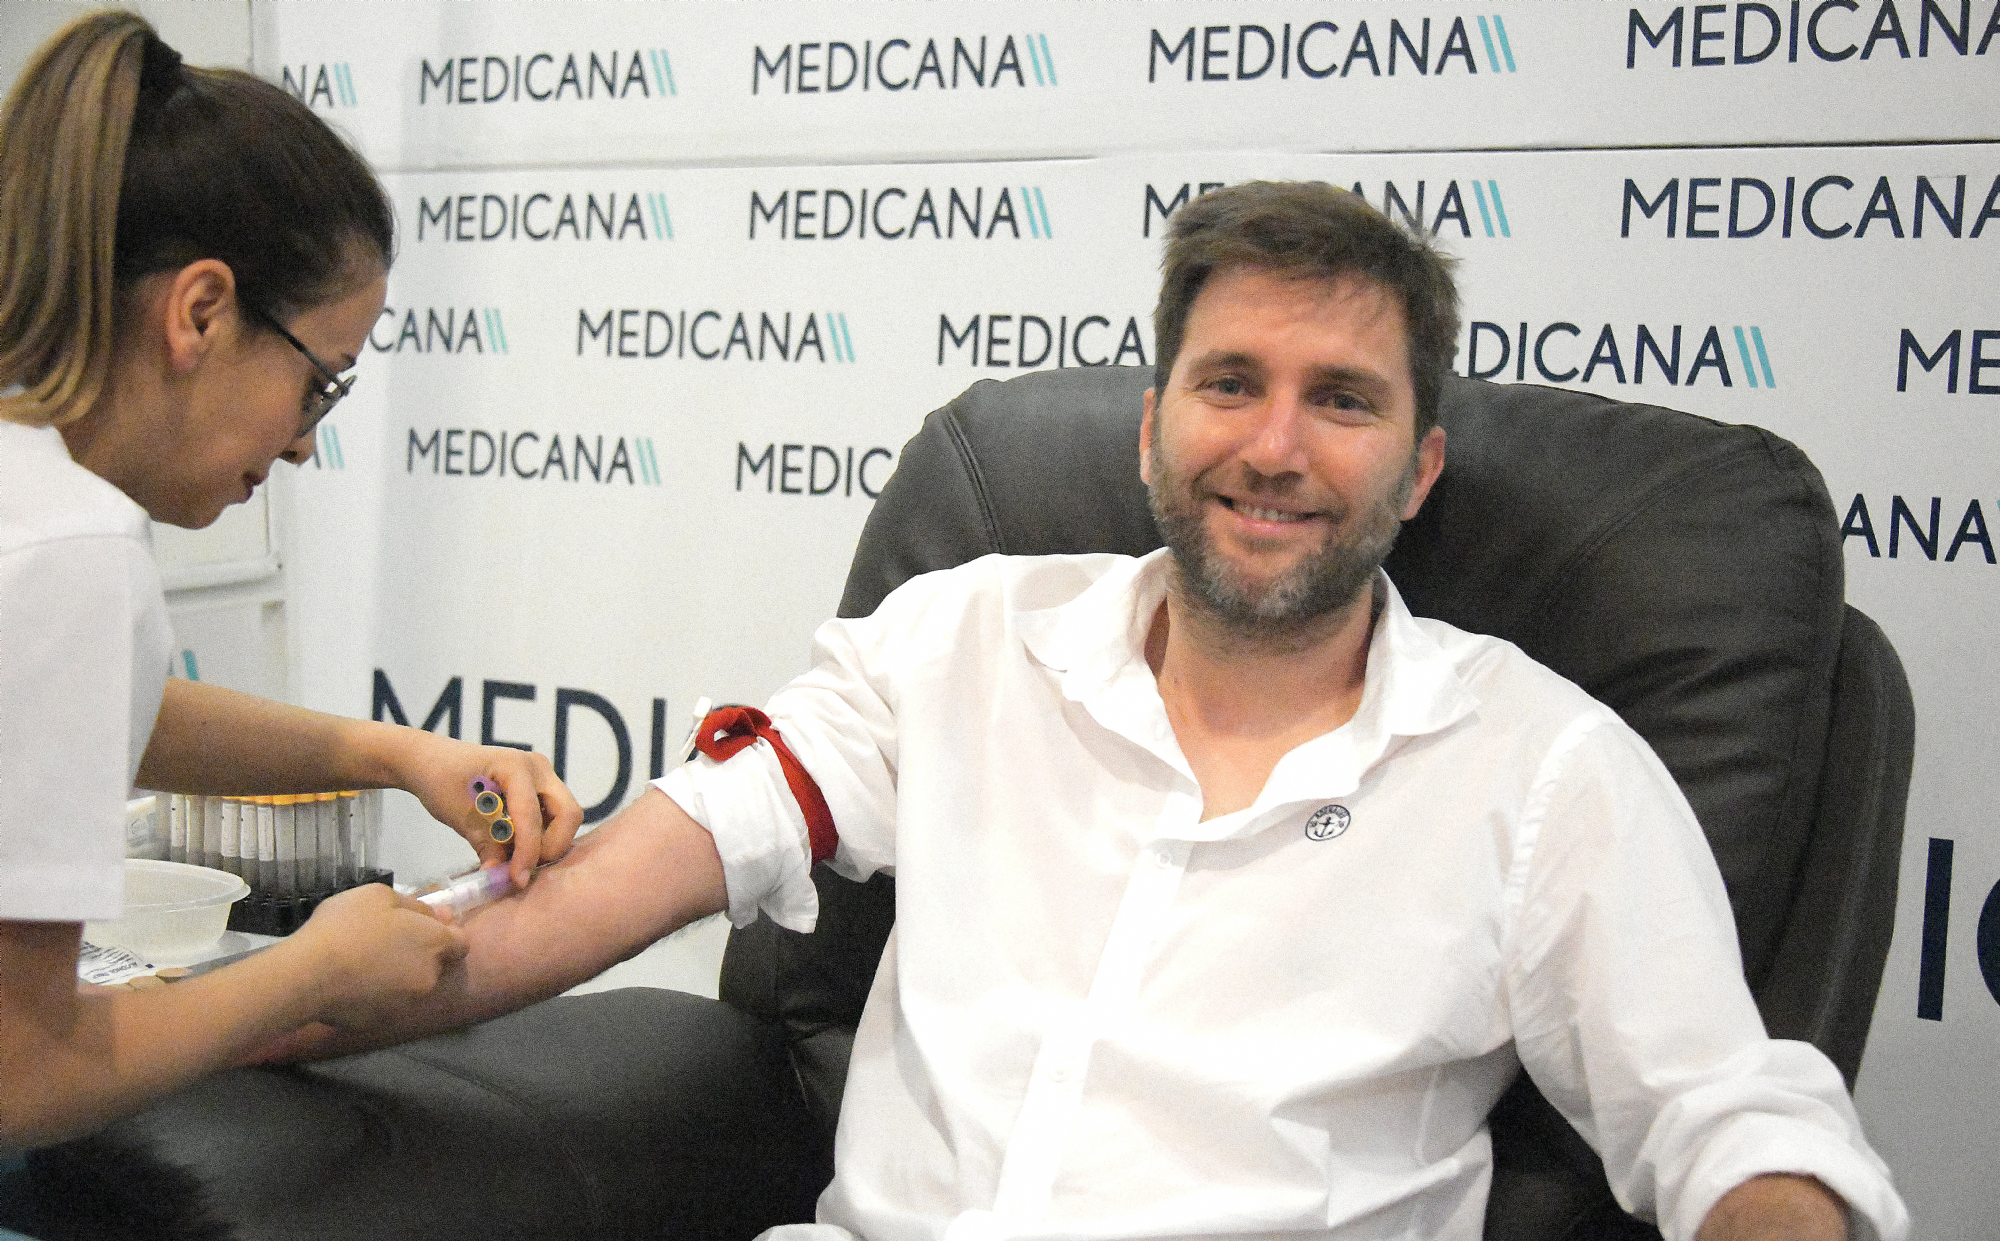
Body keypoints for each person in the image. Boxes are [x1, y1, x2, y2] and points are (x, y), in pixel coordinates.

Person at [266, 182, 1907, 1241]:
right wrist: (233, 1015)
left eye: (1341, 401)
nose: (1275, 447)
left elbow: (1726, 1118)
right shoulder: (964, 639)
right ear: (1150, 430)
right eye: (1230, 383)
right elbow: (628, 876)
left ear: (1419, 469)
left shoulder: (1541, 767)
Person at [0, 13, 583, 1156]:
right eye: (321, 381)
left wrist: (394, 753)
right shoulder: (71, 548)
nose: (309, 441)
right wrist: (310, 970)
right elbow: (19, 1075)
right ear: (200, 312)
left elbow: (66, 712)